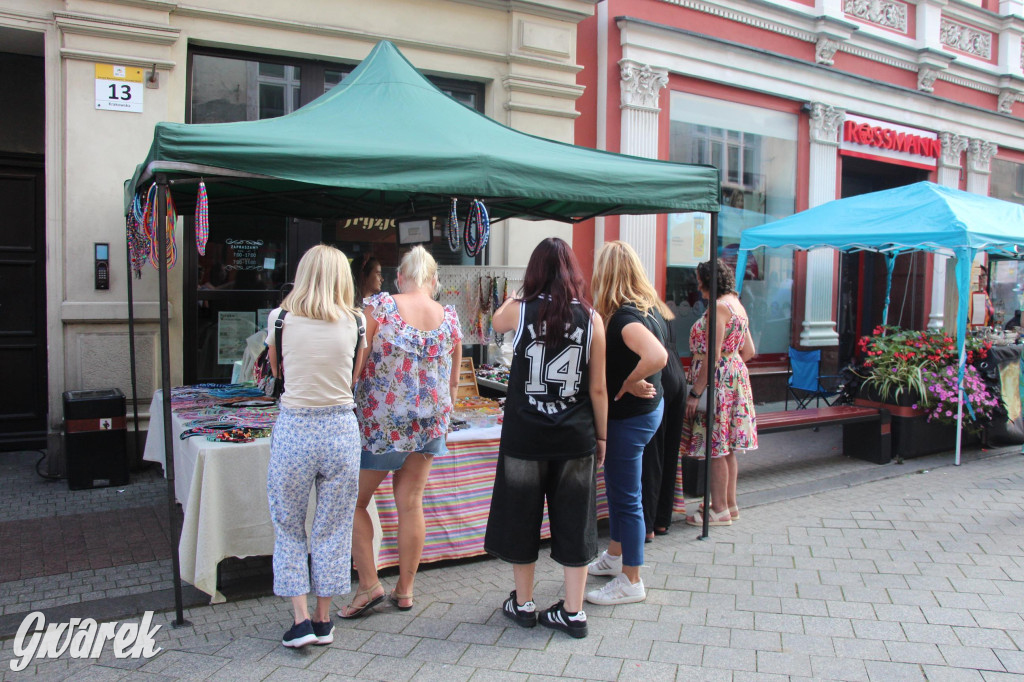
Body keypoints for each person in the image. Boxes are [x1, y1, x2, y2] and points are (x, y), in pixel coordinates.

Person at [484, 237, 607, 638]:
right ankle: (573, 611)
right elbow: (598, 389)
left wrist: (524, 291)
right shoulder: (592, 318)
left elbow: (496, 318)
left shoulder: (521, 311)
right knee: (576, 520)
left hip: (526, 435)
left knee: (521, 517)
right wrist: (602, 437)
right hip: (575, 436)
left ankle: (523, 603)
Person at [342, 246, 462, 619]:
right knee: (411, 503)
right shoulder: (449, 317)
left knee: (353, 503)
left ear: (400, 276)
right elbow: (454, 383)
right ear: (434, 280)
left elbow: (357, 364)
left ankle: (368, 585)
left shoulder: (380, 306)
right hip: (429, 425)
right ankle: (405, 590)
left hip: (381, 424)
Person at [265, 244, 365, 648]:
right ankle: (324, 618)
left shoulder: (281, 319)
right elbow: (354, 377)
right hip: (341, 429)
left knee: (289, 525)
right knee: (333, 527)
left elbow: (276, 371)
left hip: (295, 428)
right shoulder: (357, 321)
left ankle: (300, 619)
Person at [586, 241, 668, 606]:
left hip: (631, 420)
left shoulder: (623, 318)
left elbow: (657, 356)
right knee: (622, 493)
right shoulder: (646, 309)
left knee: (625, 498)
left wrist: (629, 381)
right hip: (646, 414)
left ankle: (631, 579)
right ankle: (615, 557)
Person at [682, 258, 757, 527]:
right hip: (734, 378)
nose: (698, 286)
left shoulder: (718, 308)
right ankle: (729, 504)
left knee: (714, 446)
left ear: (707, 281)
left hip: (716, 382)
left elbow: (712, 355)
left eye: (700, 281)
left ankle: (719, 509)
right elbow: (749, 351)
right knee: (726, 448)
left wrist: (696, 392)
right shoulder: (737, 305)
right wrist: (731, 365)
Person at [642, 320, 687, 539]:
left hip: (659, 375)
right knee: (670, 453)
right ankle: (662, 520)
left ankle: (648, 524)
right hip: (677, 371)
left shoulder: (640, 311)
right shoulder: (664, 311)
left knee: (653, 454)